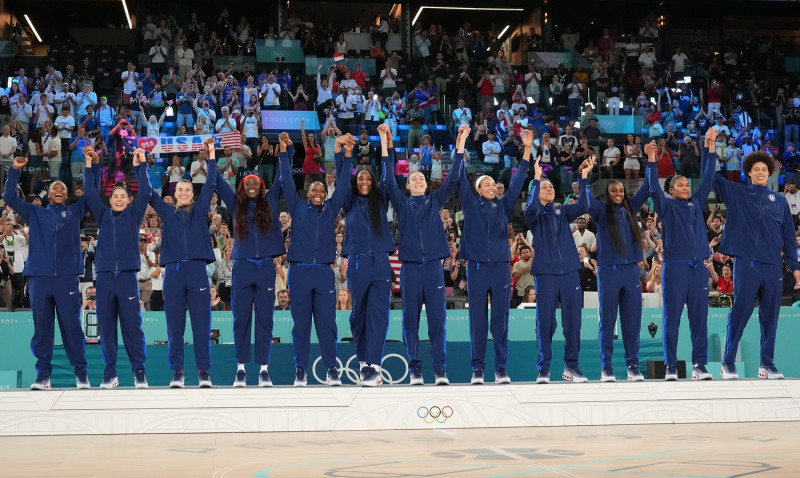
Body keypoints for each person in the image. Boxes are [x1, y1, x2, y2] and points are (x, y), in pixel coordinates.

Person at [382, 124, 465, 386]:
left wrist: (460, 142)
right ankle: (415, 369)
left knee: (437, 320)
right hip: (409, 268)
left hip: (432, 268)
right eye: (412, 179)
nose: (418, 181)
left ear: (426, 185)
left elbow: (452, 178)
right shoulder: (402, 204)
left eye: (421, 179)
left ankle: (440, 369)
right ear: (407, 186)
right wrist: (385, 142)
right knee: (410, 320)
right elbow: (387, 178)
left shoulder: (435, 201)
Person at [712, 146, 800, 380]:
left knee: (771, 316)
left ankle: (767, 364)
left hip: (773, 265)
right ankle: (728, 362)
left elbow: (790, 239)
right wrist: (711, 151)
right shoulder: (738, 193)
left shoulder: (779, 201)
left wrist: (796, 267)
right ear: (748, 172)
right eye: (756, 169)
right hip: (747, 263)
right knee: (741, 312)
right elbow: (712, 178)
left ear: (769, 172)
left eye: (764, 169)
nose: (760, 172)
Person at [3, 157, 89, 390]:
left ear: (66, 194)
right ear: (49, 195)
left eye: (62, 188)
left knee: (71, 327)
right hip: (40, 277)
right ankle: (43, 376)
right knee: (42, 329)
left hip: (66, 277)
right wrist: (14, 171)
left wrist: (91, 166)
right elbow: (9, 198)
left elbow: (90, 194)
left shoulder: (74, 212)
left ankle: (81, 374)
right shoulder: (35, 212)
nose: (59, 190)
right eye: (55, 188)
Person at [279, 132, 352, 387]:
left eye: (322, 189)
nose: (319, 192)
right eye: (314, 189)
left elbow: (343, 185)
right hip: (298, 272)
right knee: (300, 326)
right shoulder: (298, 208)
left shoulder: (331, 209)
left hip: (323, 273)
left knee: (327, 325)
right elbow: (286, 180)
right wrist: (284, 153)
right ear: (308, 193)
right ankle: (301, 371)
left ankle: (332, 370)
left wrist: (346, 155)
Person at [459, 126, 531, 385]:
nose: (492, 186)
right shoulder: (469, 203)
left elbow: (518, 179)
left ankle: (501, 369)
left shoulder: (503, 205)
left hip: (501, 267)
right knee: (478, 322)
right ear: (478, 189)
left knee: (500, 322)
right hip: (477, 267)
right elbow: (459, 176)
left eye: (493, 184)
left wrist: (528, 150)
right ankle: (478, 370)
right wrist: (461, 144)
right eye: (486, 184)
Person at [645, 130, 718, 381]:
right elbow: (653, 187)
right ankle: (671, 367)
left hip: (698, 267)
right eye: (680, 184)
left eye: (687, 184)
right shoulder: (665, 206)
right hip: (674, 267)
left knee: (700, 319)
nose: (685, 186)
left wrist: (709, 147)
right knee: (672, 318)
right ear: (671, 189)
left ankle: (700, 366)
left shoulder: (696, 202)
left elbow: (707, 177)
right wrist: (651, 160)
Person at [148, 138, 218, 388]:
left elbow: (211, 183)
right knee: (174, 327)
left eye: (188, 190)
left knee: (202, 326)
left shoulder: (200, 211)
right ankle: (177, 372)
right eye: (180, 191)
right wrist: (141, 166)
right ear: (174, 195)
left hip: (197, 270)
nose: (184, 193)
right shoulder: (166, 212)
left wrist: (211, 155)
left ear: (192, 194)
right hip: (174, 272)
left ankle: (203, 372)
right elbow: (147, 191)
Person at [214, 142, 285, 388]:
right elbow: (219, 182)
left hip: (265, 268)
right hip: (243, 268)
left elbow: (284, 177)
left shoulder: (271, 202)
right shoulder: (236, 206)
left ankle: (264, 370)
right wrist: (212, 154)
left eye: (255, 182)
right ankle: (241, 370)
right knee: (240, 319)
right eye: (248, 183)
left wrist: (284, 151)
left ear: (262, 186)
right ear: (243, 188)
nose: (252, 185)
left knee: (265, 320)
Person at [83, 146, 151, 388]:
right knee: (107, 328)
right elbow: (90, 193)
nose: (119, 199)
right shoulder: (102, 215)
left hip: (126, 278)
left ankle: (139, 372)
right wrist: (90, 165)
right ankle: (110, 374)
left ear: (128, 200)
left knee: (133, 328)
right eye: (115, 196)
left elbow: (146, 192)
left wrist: (141, 165)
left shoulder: (134, 214)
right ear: (110, 200)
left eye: (122, 196)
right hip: (104, 278)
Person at [525, 151, 595, 383]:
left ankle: (571, 367)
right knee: (546, 322)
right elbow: (530, 210)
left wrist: (584, 176)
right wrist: (536, 179)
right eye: (545, 187)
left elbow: (584, 204)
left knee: (573, 323)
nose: (550, 189)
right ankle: (543, 369)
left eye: (551, 187)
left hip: (570, 273)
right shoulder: (534, 214)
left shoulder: (562, 211)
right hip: (545, 273)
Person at [338, 124, 397, 387]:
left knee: (380, 315)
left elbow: (389, 174)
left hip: (381, 262)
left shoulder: (381, 199)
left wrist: (387, 142)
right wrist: (344, 150)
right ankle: (363, 362)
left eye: (367, 179)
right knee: (358, 315)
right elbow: (341, 175)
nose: (364, 182)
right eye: (360, 178)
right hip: (358, 262)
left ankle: (374, 365)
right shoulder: (348, 200)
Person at [587, 166, 649, 382]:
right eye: (613, 191)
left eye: (621, 191)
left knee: (632, 322)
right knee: (607, 321)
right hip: (609, 272)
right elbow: (587, 200)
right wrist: (583, 176)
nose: (618, 194)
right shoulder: (601, 212)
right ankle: (607, 368)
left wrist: (650, 161)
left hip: (631, 271)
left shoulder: (631, 209)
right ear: (607, 193)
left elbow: (648, 186)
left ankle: (633, 366)